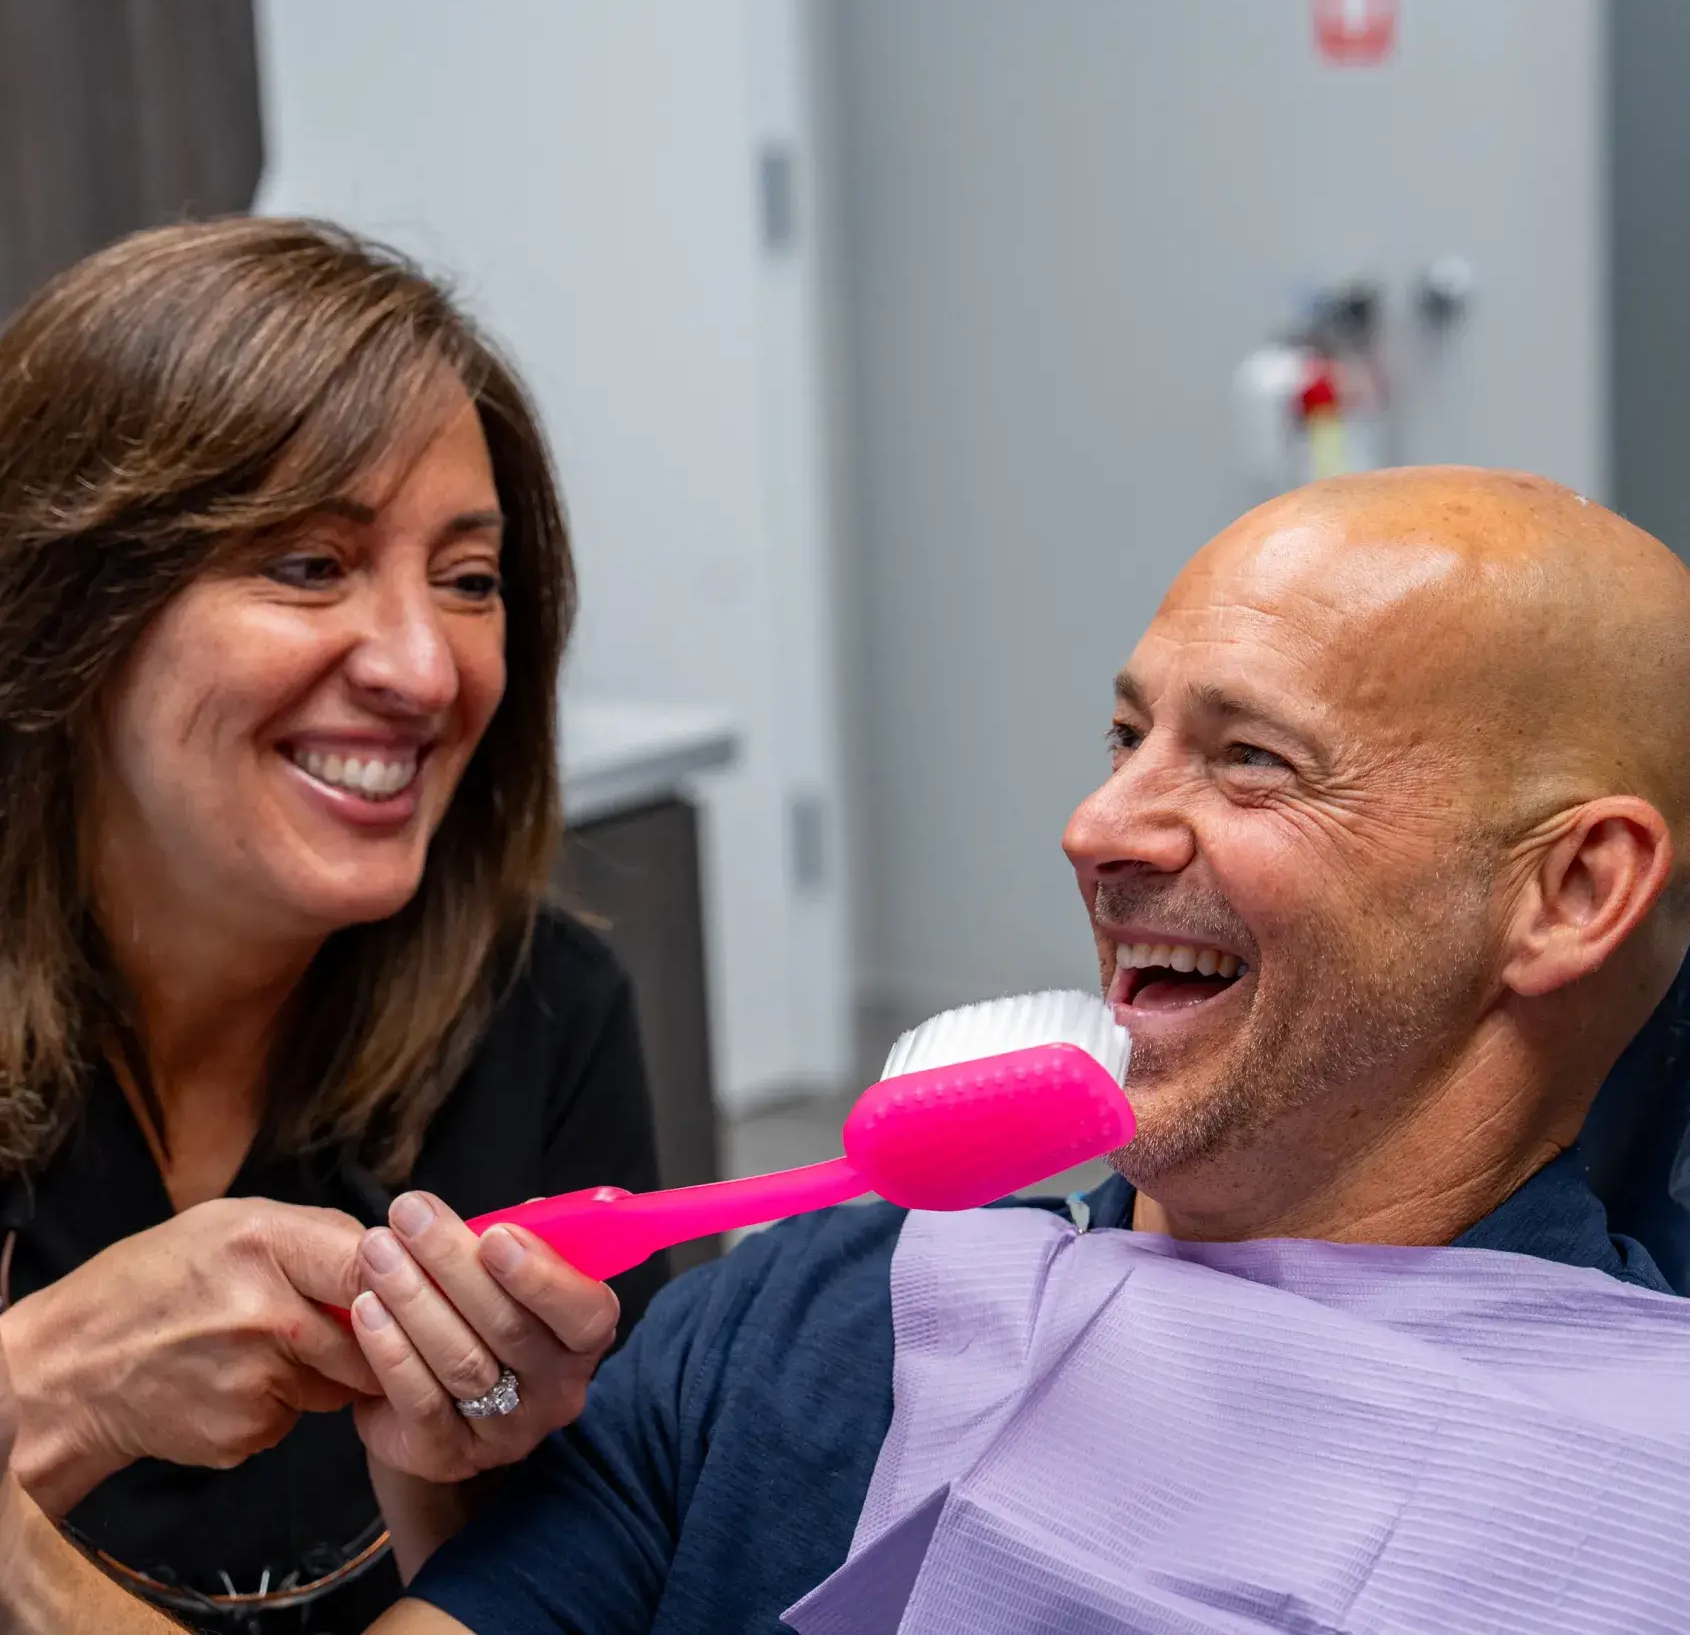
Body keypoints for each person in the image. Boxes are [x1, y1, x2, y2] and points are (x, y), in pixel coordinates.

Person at [11, 465, 1690, 1633]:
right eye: (1124, 736)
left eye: (1250, 761)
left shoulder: (1643, 1507)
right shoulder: (800, 1315)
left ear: (1569, 890)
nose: (1096, 825)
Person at [0, 218, 667, 1633]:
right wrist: (63, 1372)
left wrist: (452, 1493)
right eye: (306, 564)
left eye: (470, 579)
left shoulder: (543, 1013)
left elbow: (604, 1572)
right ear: (69, 603)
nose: (424, 667)